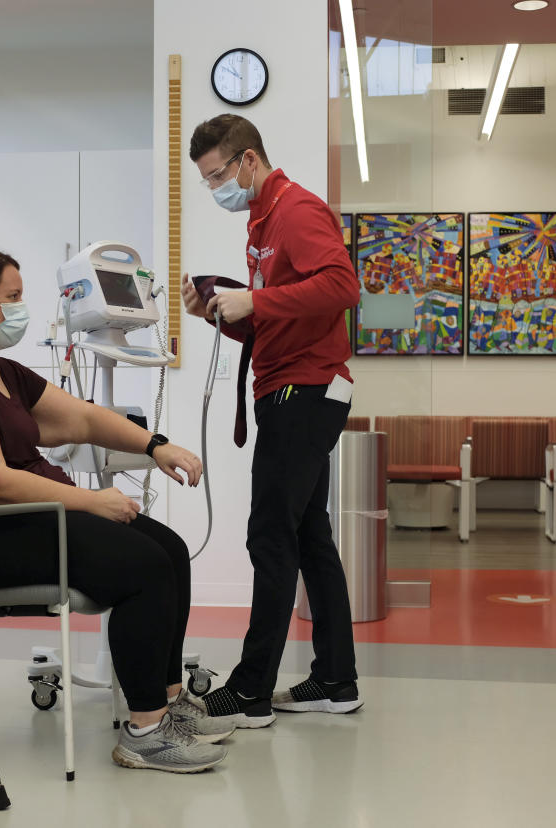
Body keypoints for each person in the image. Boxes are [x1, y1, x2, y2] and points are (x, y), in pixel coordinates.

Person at [0, 246, 231, 773]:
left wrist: (156, 445)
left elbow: (83, 418)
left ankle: (170, 702)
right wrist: (90, 501)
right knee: (143, 567)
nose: (21, 309)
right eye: (12, 297)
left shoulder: (3, 372)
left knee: (170, 549)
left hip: (26, 521)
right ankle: (146, 732)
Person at [180, 114, 364, 728]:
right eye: (205, 181)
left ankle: (253, 689)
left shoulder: (296, 210)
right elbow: (276, 317)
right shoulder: (261, 220)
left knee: (270, 536)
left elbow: (341, 286)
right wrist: (219, 312)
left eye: (216, 177)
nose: (214, 190)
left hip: (305, 390)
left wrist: (255, 299)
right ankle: (336, 680)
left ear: (248, 161)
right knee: (310, 537)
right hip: (288, 385)